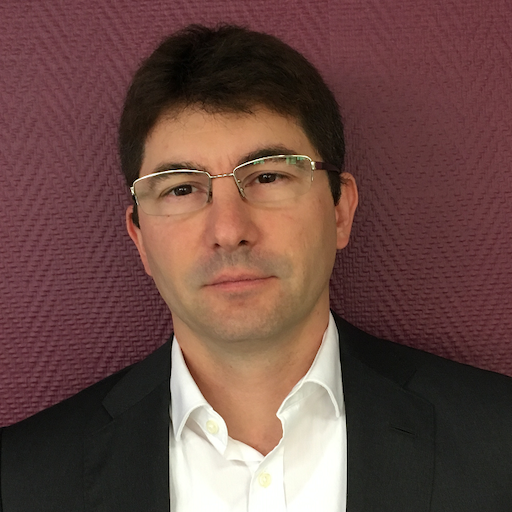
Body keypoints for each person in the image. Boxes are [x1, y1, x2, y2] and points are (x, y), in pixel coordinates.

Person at [1, 24, 511, 512]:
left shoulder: (498, 443)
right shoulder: (22, 480)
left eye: (267, 177)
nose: (229, 229)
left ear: (340, 210)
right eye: (182, 188)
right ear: (140, 239)